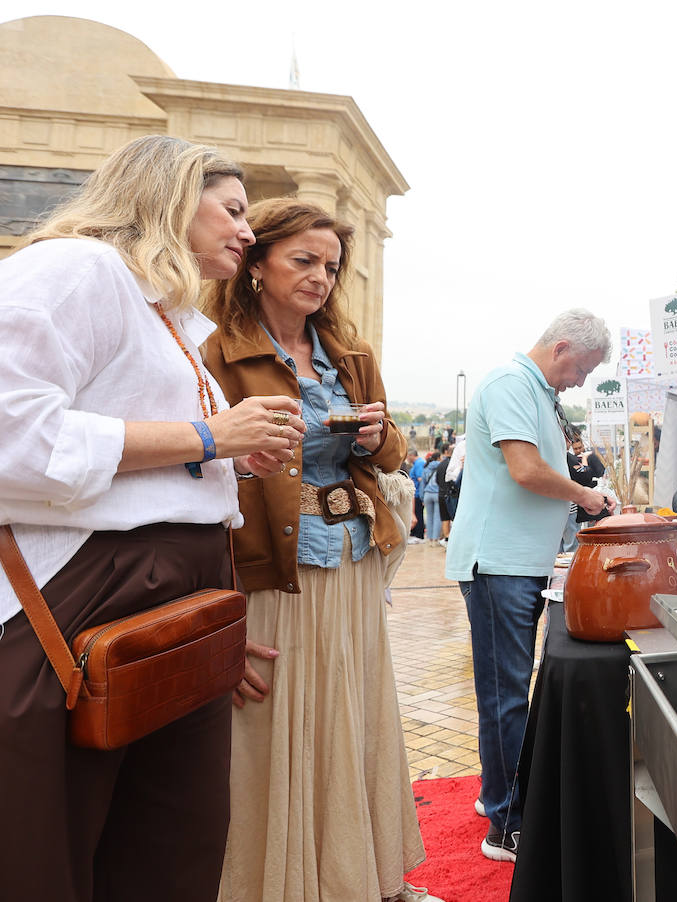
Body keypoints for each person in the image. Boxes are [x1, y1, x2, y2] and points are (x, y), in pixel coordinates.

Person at [0, 135, 304, 902]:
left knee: (168, 844)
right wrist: (208, 436)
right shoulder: (77, 267)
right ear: (166, 196)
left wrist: (231, 457)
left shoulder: (166, 315)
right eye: (233, 209)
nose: (247, 230)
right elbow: (11, 437)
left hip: (161, 598)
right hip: (84, 595)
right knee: (55, 845)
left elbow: (139, 454)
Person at [201, 198, 435, 902]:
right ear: (255, 264)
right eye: (303, 261)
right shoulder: (215, 353)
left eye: (331, 266)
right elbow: (203, 473)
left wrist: (376, 436)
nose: (320, 278)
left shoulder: (351, 356)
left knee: (351, 716)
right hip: (272, 570)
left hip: (354, 560)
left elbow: (394, 451)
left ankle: (357, 879)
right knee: (274, 727)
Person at [445, 309, 616, 862]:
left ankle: (497, 796)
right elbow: (524, 469)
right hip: (499, 562)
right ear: (562, 347)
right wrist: (584, 497)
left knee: (505, 691)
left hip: (519, 562)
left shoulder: (537, 391)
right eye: (583, 370)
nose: (581, 382)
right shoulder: (511, 384)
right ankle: (506, 825)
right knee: (506, 696)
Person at [422, 443, 447, 544]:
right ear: (438, 458)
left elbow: (422, 484)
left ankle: (429, 538)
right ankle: (435, 539)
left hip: (427, 494)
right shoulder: (442, 466)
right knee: (437, 516)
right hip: (437, 494)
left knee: (429, 516)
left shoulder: (426, 468)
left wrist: (422, 496)